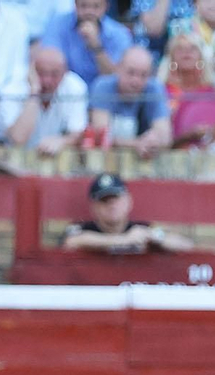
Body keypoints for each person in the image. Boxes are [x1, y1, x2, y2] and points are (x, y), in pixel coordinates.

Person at [61, 172, 193, 252]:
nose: (111, 205)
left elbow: (186, 245)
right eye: (104, 200)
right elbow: (71, 241)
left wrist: (153, 237)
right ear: (94, 207)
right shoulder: (83, 229)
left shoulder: (142, 229)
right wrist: (125, 240)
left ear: (128, 201)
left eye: (115, 199)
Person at [86, 44, 172, 155]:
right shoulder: (103, 86)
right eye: (131, 73)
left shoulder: (155, 88)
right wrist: (137, 144)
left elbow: (165, 137)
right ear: (118, 69)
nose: (136, 81)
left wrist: (154, 141)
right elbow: (101, 135)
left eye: (143, 75)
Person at [3, 44, 89, 151]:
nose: (47, 81)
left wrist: (62, 141)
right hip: (9, 158)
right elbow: (18, 139)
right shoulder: (13, 88)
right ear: (32, 70)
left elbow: (77, 133)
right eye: (41, 73)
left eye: (54, 74)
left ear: (65, 72)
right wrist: (34, 92)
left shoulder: (75, 87)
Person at [163, 32, 215, 148]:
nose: (186, 53)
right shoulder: (162, 92)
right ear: (171, 57)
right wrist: (187, 136)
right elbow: (159, 139)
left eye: (192, 49)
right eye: (180, 49)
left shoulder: (211, 94)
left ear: (201, 57)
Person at [42, 0, 132, 84]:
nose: (89, 12)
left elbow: (114, 79)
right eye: (83, 6)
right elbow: (50, 65)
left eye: (96, 7)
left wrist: (96, 46)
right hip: (66, 89)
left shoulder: (120, 34)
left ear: (106, 7)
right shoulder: (56, 25)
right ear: (75, 5)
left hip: (103, 96)